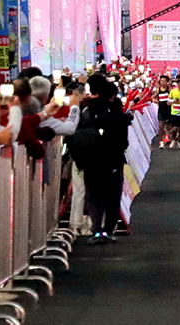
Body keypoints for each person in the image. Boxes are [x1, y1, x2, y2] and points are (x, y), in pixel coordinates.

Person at [73, 75, 132, 244]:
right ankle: (108, 231)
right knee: (112, 197)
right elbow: (124, 142)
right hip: (112, 161)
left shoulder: (83, 107)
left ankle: (96, 230)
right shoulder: (116, 113)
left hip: (89, 160)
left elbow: (75, 132)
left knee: (93, 196)